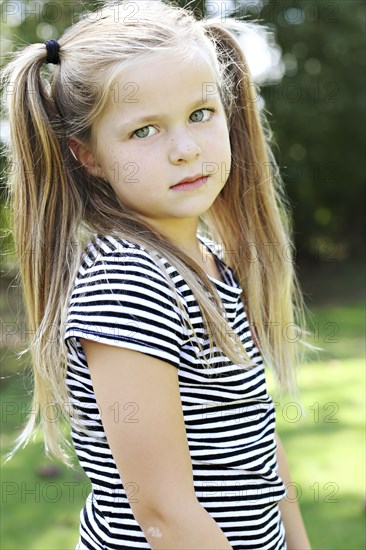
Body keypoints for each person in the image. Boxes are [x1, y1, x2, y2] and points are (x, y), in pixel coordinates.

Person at [2, 1, 312, 548]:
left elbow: (259, 447)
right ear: (88, 155)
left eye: (200, 114)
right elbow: (164, 516)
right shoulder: (129, 280)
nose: (185, 149)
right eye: (144, 131)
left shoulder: (212, 261)